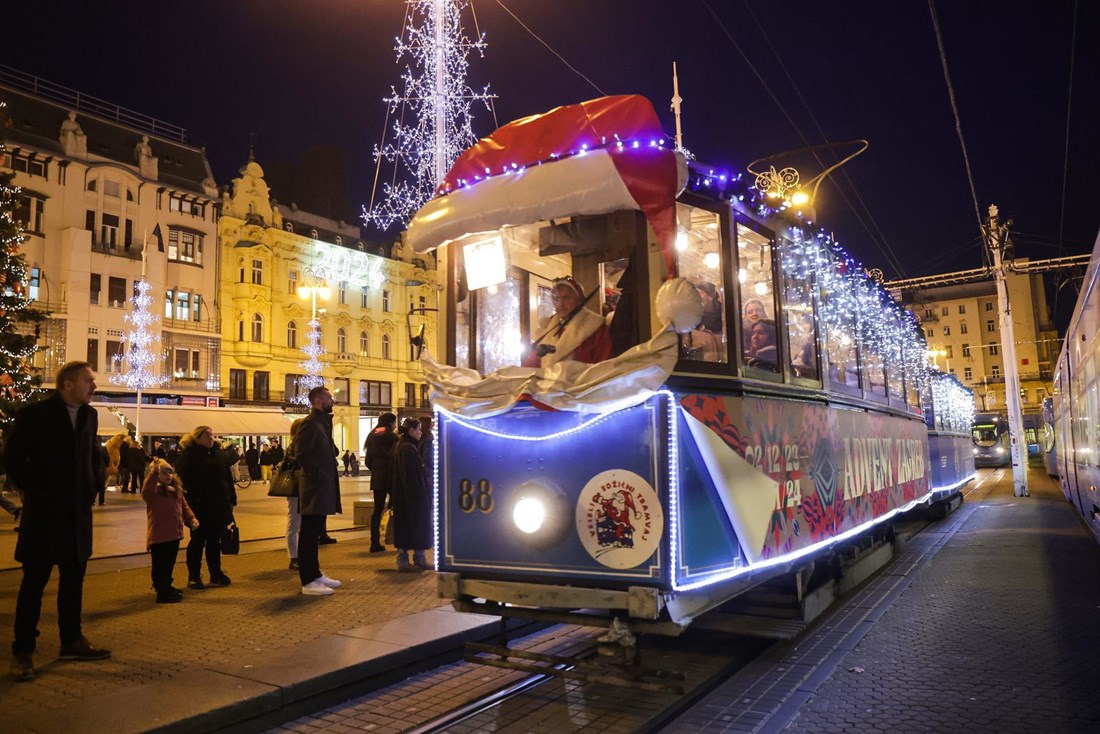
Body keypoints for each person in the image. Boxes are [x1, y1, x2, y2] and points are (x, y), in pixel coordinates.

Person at [7, 361, 110, 682]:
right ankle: (23, 652)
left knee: (73, 580)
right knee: (33, 584)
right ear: (67, 384)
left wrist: (94, 483)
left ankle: (71, 640)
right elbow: (12, 458)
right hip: (44, 515)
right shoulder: (36, 414)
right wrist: (35, 490)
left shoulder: (90, 416)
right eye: (88, 381)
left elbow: (92, 453)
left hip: (77, 515)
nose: (94, 386)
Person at [294, 387, 343, 596]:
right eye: (328, 397)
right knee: (309, 533)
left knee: (315, 532)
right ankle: (308, 580)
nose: (332, 400)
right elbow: (302, 454)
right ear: (318, 400)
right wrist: (318, 475)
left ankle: (315, 574)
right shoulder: (309, 423)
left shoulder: (321, 423)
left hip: (321, 486)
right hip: (315, 487)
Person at [175, 426, 235, 589]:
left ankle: (215, 573)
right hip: (199, 506)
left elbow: (227, 478)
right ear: (197, 438)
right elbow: (183, 482)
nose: (211, 438)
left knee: (215, 541)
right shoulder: (188, 456)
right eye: (207, 435)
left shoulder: (218, 454)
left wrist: (231, 501)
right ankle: (194, 576)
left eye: (212, 435)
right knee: (197, 541)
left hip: (218, 504)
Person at [522, 276, 612, 368]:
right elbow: (531, 366)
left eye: (566, 298)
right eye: (556, 299)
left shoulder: (595, 328)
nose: (560, 304)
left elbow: (603, 368)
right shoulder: (548, 328)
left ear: (579, 300)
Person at [142, 459, 198, 603]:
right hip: (159, 535)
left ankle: (167, 586)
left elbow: (184, 507)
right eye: (163, 473)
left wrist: (192, 519)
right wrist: (154, 472)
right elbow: (146, 489)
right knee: (160, 565)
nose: (168, 476)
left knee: (169, 563)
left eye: (170, 472)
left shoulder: (176, 490)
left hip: (174, 534)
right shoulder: (154, 492)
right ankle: (162, 591)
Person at [392, 418, 432, 572]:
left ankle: (409, 559)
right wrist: (419, 494)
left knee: (407, 528)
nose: (421, 432)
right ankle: (415, 559)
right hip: (412, 498)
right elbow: (410, 475)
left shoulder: (403, 446)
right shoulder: (408, 448)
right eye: (418, 429)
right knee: (415, 526)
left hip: (405, 497)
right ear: (411, 430)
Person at [364, 412, 398, 553]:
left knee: (377, 510)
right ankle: (397, 537)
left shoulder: (372, 434)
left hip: (377, 476)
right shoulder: (391, 436)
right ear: (391, 423)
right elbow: (397, 455)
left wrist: (376, 469)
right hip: (390, 475)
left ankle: (374, 542)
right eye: (394, 422)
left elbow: (367, 460)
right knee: (396, 505)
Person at [282, 418, 307, 571]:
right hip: (296, 488)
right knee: (294, 523)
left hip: (302, 488)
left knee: (299, 523)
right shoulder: (294, 446)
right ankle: (293, 557)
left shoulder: (299, 445)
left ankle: (298, 555)